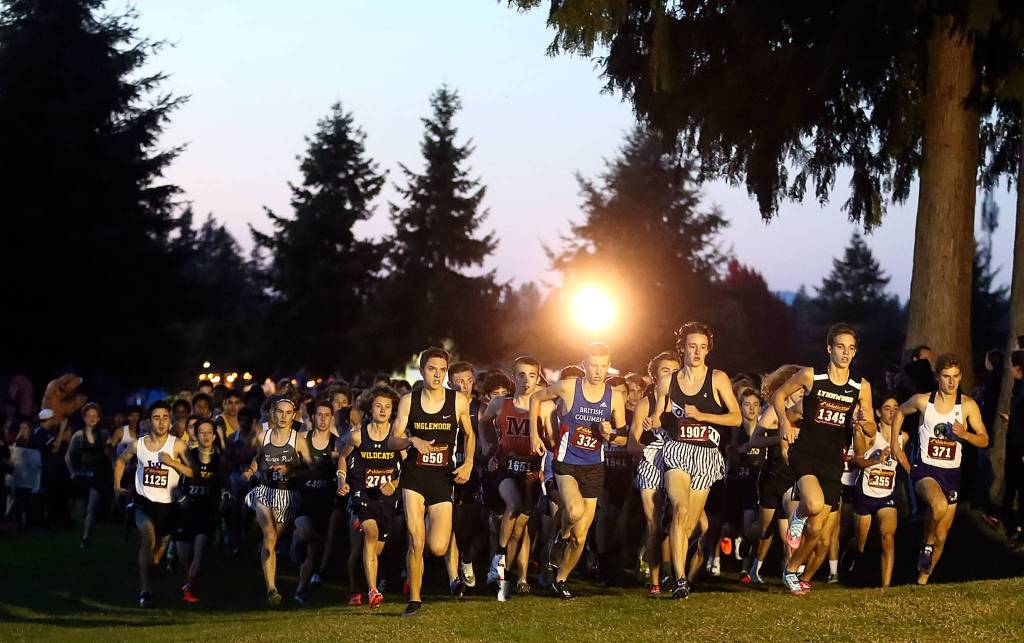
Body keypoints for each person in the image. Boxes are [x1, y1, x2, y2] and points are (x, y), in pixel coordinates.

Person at [774, 323, 876, 596]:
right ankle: (798, 516)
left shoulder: (860, 387)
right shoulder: (811, 376)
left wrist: (863, 424)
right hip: (805, 452)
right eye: (840, 347)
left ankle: (791, 570)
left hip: (833, 460)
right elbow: (778, 395)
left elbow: (872, 428)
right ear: (829, 348)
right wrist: (784, 422)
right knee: (814, 504)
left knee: (819, 529)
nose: (845, 353)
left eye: (851, 348)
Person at [649, 323, 741, 598]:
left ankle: (673, 564)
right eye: (692, 346)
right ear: (683, 348)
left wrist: (703, 416)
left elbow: (735, 417)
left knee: (689, 525)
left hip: (706, 456)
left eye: (703, 347)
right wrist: (651, 420)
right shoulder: (668, 381)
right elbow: (658, 414)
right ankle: (679, 580)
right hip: (677, 450)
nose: (698, 352)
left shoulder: (718, 379)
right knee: (679, 507)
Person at [530, 342, 627, 600]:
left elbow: (623, 437)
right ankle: (559, 538)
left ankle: (561, 579)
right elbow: (536, 398)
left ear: (608, 366)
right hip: (566, 463)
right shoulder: (569, 387)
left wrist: (610, 434)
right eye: (593, 365)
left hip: (594, 467)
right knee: (573, 511)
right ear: (584, 365)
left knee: (581, 535)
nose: (598, 371)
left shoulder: (614, 397)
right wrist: (533, 436)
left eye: (603, 366)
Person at [388, 347, 475, 617]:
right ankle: (414, 599)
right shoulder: (408, 401)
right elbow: (392, 440)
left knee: (437, 546)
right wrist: (412, 440)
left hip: (442, 477)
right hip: (414, 475)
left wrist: (469, 462)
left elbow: (470, 435)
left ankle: (427, 525)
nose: (436, 375)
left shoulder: (458, 401)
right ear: (422, 369)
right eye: (431, 369)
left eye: (441, 370)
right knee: (416, 541)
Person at [892, 353, 989, 585]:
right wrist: (895, 445)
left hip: (951, 474)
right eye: (946, 377)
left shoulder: (967, 406)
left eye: (955, 377)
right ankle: (926, 544)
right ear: (938, 377)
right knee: (938, 505)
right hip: (926, 470)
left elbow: (984, 439)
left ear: (961, 377)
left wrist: (965, 434)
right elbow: (899, 412)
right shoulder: (923, 401)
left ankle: (922, 580)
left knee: (943, 536)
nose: (951, 382)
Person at [479, 356, 551, 601]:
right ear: (514, 376)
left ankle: (503, 575)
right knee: (513, 504)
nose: (526, 380)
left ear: (538, 377)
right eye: (521, 375)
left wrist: (547, 445)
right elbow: (483, 421)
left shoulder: (546, 405)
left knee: (519, 531)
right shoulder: (500, 403)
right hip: (504, 466)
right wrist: (486, 442)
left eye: (532, 375)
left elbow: (552, 438)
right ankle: (498, 557)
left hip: (530, 471)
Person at [113, 401, 197, 607]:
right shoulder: (138, 444)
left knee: (158, 550)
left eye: (165, 418)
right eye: (157, 418)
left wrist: (173, 463)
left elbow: (194, 473)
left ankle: (154, 565)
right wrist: (117, 486)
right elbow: (121, 461)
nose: (161, 422)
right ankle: (145, 590)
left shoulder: (177, 445)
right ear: (149, 422)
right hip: (144, 502)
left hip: (169, 505)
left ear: (170, 420)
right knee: (148, 539)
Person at [241, 396, 317, 607]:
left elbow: (312, 470)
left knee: (276, 539)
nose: (283, 417)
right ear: (273, 414)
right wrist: (250, 471)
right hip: (265, 491)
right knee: (270, 535)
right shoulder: (262, 437)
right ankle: (271, 589)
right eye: (279, 412)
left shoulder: (298, 440)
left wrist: (291, 470)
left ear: (293, 416)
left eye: (287, 413)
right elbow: (258, 459)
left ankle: (278, 555)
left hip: (288, 496)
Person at [338, 385, 403, 609]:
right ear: (370, 409)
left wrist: (394, 483)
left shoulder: (397, 438)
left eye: (388, 407)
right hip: (362, 493)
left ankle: (358, 584)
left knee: (374, 549)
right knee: (370, 535)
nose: (383, 410)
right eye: (378, 406)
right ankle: (370, 591)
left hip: (386, 499)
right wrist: (341, 481)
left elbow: (408, 469)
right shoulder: (357, 436)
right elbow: (343, 458)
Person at [627, 351, 680, 595]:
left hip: (680, 462)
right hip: (651, 463)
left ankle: (672, 570)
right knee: (654, 524)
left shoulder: (685, 403)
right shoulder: (645, 403)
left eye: (674, 370)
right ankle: (657, 581)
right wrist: (646, 450)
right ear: (655, 376)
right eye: (665, 371)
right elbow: (631, 444)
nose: (671, 375)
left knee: (684, 522)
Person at [747, 364, 803, 585]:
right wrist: (780, 436)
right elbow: (754, 440)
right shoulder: (774, 410)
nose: (802, 390)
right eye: (798, 386)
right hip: (772, 474)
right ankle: (745, 534)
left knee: (792, 526)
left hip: (794, 475)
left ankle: (791, 574)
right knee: (764, 529)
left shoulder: (805, 409)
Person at [844, 392, 903, 588]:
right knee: (861, 545)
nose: (892, 413)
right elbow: (856, 460)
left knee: (888, 537)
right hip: (865, 494)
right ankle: (851, 551)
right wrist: (877, 460)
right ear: (878, 413)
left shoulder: (905, 437)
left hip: (887, 496)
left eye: (896, 409)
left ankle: (885, 587)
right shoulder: (871, 435)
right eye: (887, 409)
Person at [173, 417, 224, 603]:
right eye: (202, 432)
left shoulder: (219, 459)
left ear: (214, 435)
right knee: (185, 557)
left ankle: (189, 586)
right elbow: (174, 480)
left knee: (200, 551)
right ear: (196, 434)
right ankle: (190, 585)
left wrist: (222, 499)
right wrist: (180, 497)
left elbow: (221, 483)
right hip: (186, 511)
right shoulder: (188, 455)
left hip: (205, 511)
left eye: (209, 432)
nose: (206, 436)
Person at [293, 399, 339, 603]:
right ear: (312, 417)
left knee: (314, 549)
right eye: (319, 415)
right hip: (303, 500)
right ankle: (294, 545)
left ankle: (300, 591)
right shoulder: (303, 439)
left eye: (326, 415)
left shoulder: (337, 443)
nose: (322, 419)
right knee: (306, 534)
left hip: (324, 501)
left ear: (332, 417)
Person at [64, 402, 111, 547]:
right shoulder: (78, 435)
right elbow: (68, 456)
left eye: (94, 416)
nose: (92, 419)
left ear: (98, 418)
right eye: (89, 416)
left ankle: (86, 537)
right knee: (82, 510)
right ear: (84, 418)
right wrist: (72, 472)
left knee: (92, 507)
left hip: (97, 475)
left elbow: (108, 453)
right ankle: (85, 528)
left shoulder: (104, 434)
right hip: (81, 475)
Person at [1000, 351, 1024, 544]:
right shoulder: (1019, 386)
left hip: (1020, 445)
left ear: (1017, 367)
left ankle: (1018, 528)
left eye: (1011, 364)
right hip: (1015, 442)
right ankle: (1010, 521)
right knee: (1013, 482)